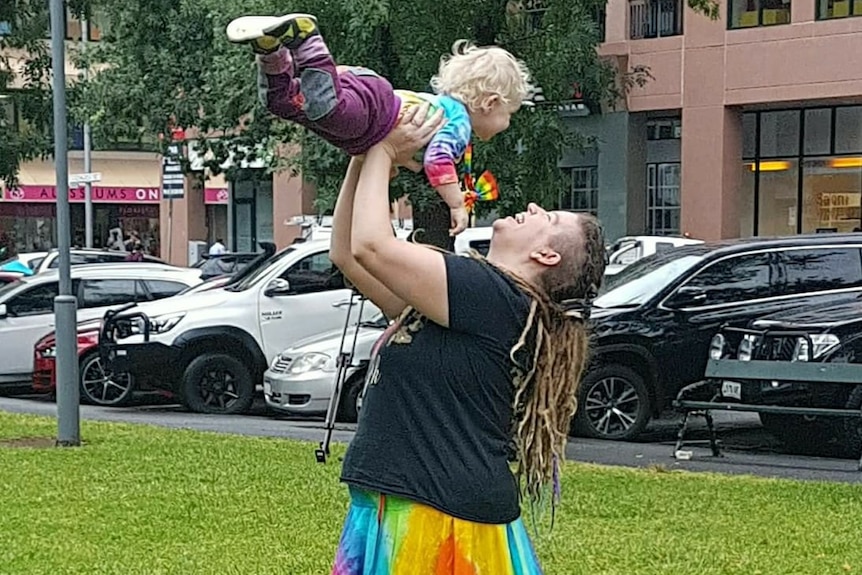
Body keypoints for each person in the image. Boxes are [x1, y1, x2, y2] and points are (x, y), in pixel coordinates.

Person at [328, 103, 606, 574]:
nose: (535, 208)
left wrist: (385, 145)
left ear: (546, 255)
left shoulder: (492, 295)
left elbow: (371, 245)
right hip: (413, 504)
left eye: (551, 219)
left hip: (438, 518)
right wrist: (364, 152)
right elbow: (348, 255)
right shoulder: (480, 302)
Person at [226, 12, 533, 236]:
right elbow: (438, 161)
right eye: (509, 114)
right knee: (324, 110)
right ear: (490, 103)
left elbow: (412, 154)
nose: (507, 123)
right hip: (374, 110)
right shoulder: (457, 123)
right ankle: (306, 39)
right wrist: (456, 204)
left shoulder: (443, 108)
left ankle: (270, 49)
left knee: (283, 103)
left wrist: (389, 161)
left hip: (364, 104)